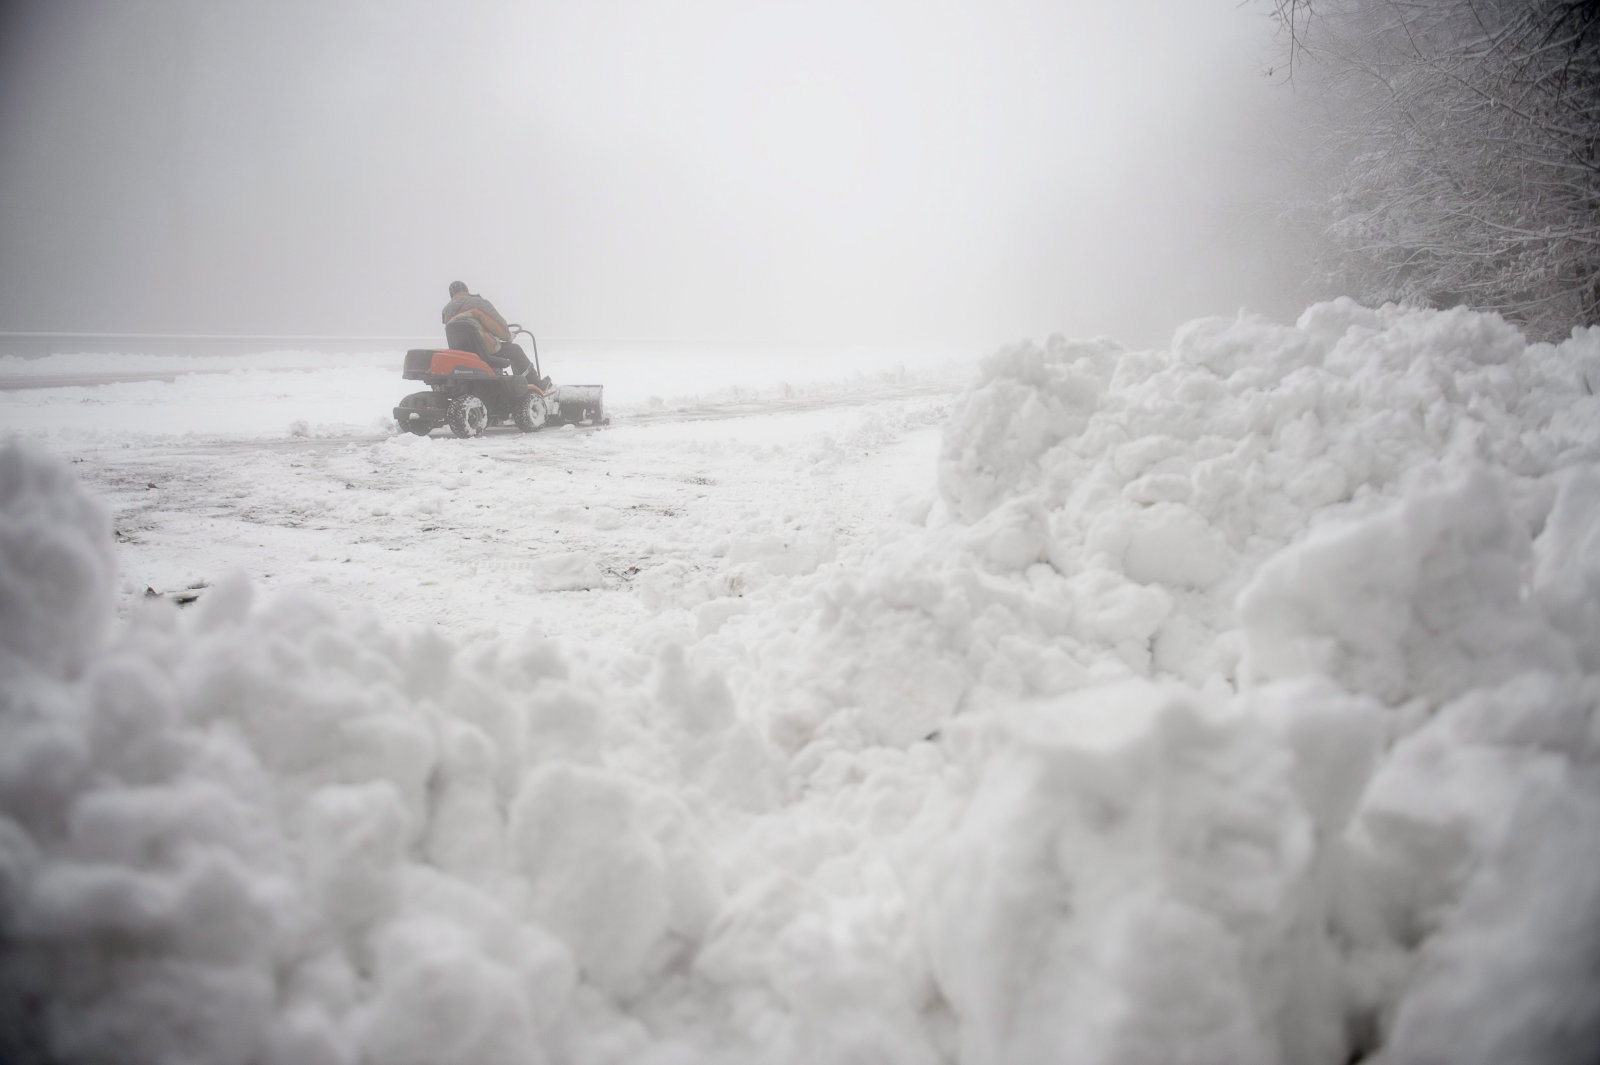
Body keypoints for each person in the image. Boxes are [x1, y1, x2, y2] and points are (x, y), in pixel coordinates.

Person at [440, 281, 534, 379]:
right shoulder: (477, 303)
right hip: (484, 352)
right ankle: (533, 382)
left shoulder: (446, 313)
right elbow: (497, 325)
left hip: (463, 355)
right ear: (466, 290)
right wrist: (508, 335)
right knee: (515, 350)